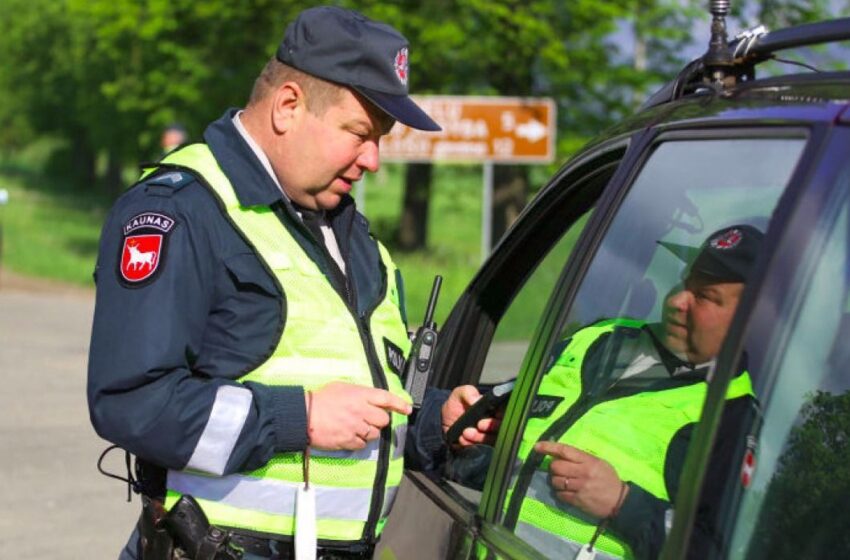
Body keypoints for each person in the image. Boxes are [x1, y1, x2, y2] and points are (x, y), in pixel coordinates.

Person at [88, 6, 442, 560]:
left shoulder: (351, 235)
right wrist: (297, 418)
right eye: (359, 133)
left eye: (381, 138)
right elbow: (132, 402)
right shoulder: (183, 210)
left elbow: (364, 394)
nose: (373, 159)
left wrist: (440, 421)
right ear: (288, 107)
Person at [431, 224, 763, 560]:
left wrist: (623, 502)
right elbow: (509, 426)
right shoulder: (596, 337)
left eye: (704, 296)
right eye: (684, 282)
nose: (677, 300)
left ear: (749, 319)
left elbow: (718, 550)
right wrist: (476, 431)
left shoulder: (731, 419)